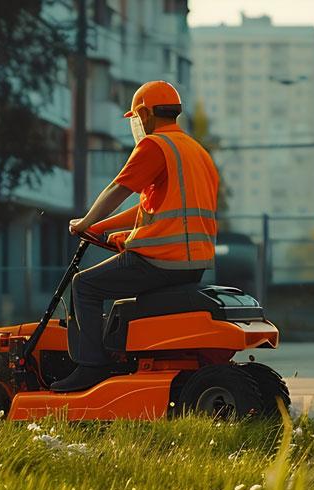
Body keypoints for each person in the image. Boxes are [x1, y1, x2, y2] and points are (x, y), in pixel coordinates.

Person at [50, 81, 219, 392]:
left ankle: (91, 367)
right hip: (193, 264)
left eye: (136, 118)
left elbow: (119, 189)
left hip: (159, 262)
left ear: (143, 114)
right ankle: (116, 355)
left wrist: (86, 220)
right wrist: (100, 228)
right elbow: (150, 210)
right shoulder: (196, 152)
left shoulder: (156, 146)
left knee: (84, 285)